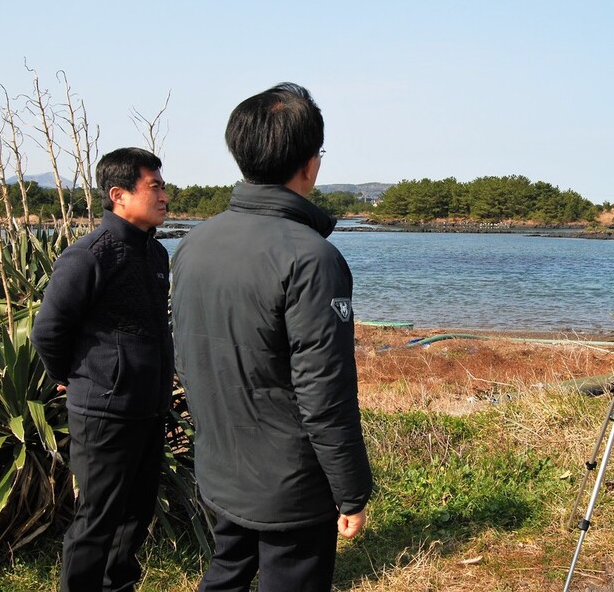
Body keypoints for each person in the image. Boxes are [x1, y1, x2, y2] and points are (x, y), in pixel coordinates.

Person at [171, 83, 373, 592]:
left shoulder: (195, 243)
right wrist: (351, 491)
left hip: (221, 466)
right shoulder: (311, 259)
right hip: (291, 484)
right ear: (310, 163)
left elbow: (186, 355)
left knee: (226, 573)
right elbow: (324, 393)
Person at [31, 147, 173, 592]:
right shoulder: (89, 255)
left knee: (136, 514)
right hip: (104, 410)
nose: (165, 196)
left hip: (147, 406)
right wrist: (72, 376)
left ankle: (119, 586)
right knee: (98, 519)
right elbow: (49, 330)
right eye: (155, 186)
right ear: (119, 194)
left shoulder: (154, 254)